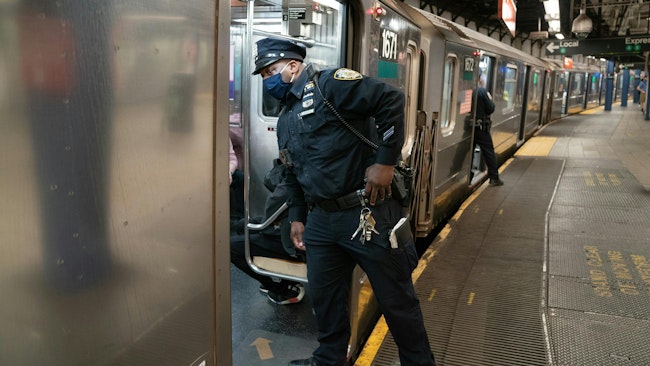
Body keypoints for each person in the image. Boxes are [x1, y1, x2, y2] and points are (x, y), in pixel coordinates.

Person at [253, 37, 436, 366]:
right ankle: (329, 360)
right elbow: (291, 171)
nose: (267, 79)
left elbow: (390, 99)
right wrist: (297, 217)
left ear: (293, 66)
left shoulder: (330, 86)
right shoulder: (286, 119)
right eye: (263, 74)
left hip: (368, 213)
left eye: (270, 71)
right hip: (321, 220)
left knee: (396, 300)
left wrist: (385, 162)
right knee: (326, 299)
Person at [230, 177, 306, 305]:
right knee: (240, 226)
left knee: (231, 247)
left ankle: (281, 289)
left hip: (290, 237)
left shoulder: (298, 180)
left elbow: (274, 203)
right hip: (282, 225)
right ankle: (286, 281)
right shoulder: (302, 174)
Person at [472, 74, 503, 187]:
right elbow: (491, 108)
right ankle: (494, 178)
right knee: (489, 152)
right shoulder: (482, 91)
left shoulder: (466, 91)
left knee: (469, 152)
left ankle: (469, 176)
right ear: (479, 79)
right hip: (481, 128)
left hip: (469, 128)